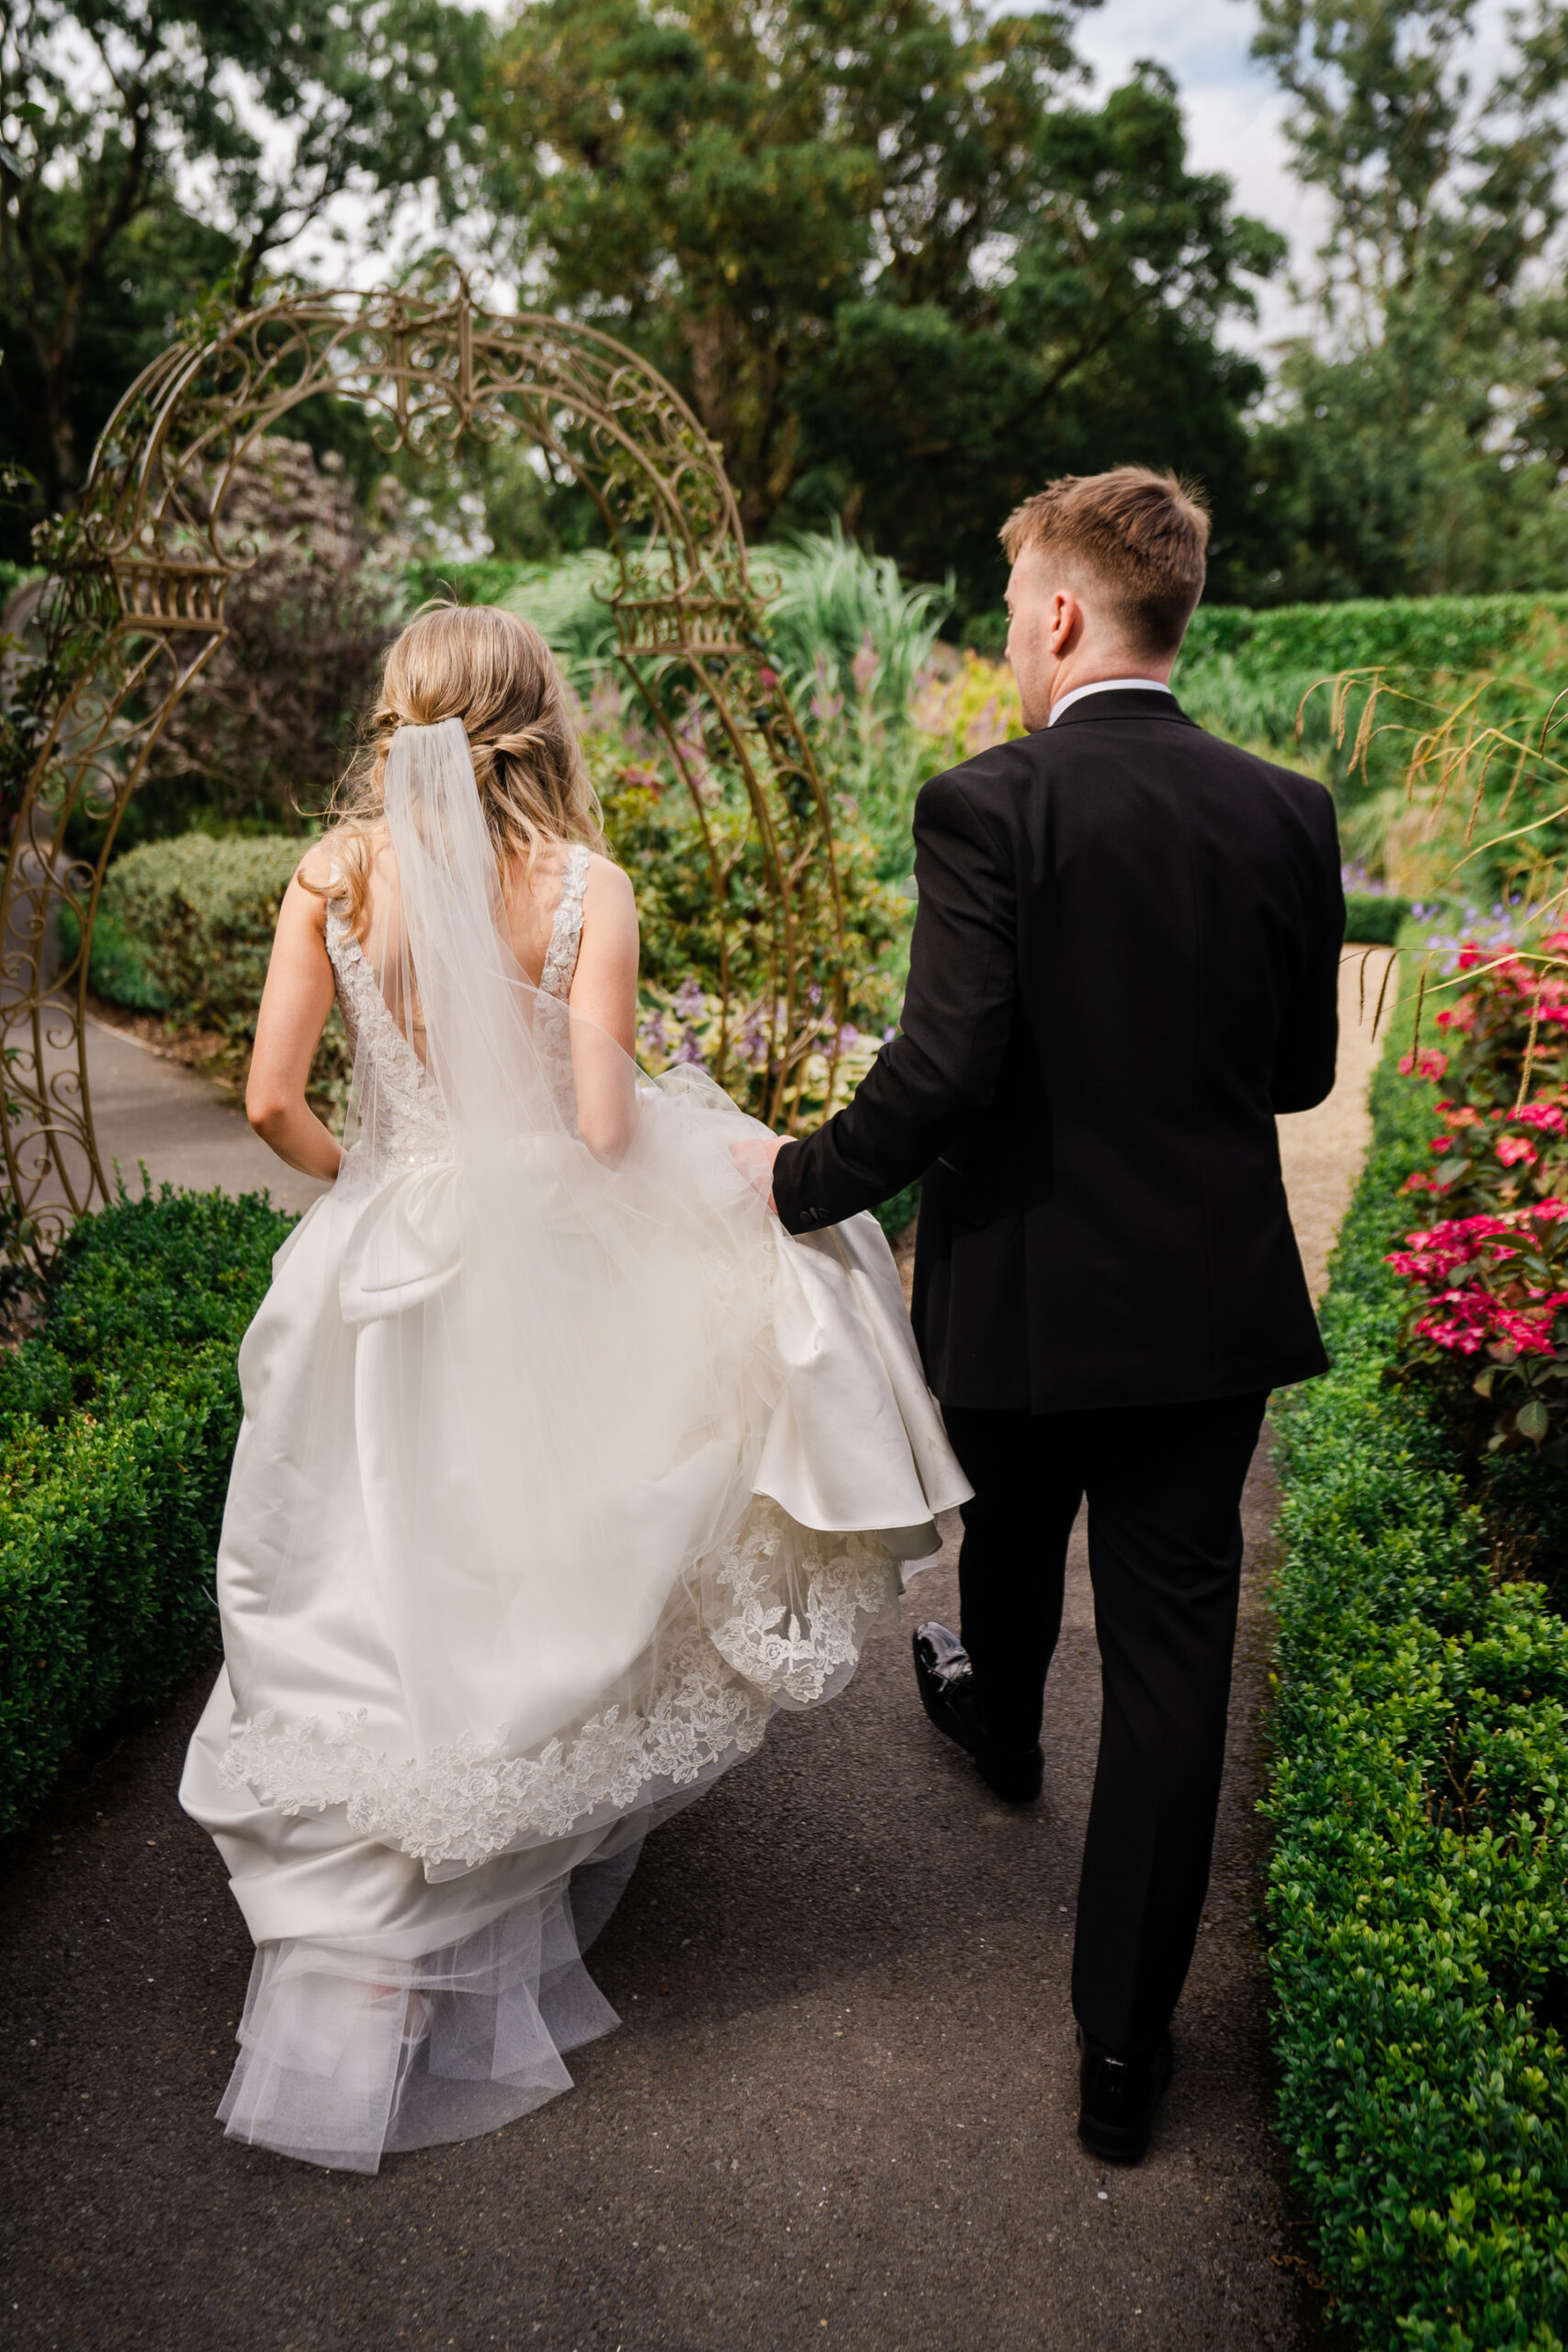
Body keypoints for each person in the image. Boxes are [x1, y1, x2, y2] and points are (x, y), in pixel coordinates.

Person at [179, 603, 969, 2174]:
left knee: (356, 1578)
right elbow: (606, 1130)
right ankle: (463, 1887)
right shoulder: (587, 886)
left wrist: (376, 1186)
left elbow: (270, 1098)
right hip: (530, 1252)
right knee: (513, 1571)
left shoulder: (333, 875)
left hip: (376, 1259)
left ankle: (359, 1957)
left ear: (400, 715)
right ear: (541, 719)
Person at [755, 468, 1344, 2164]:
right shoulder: (1289, 812)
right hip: (1211, 1309)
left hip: (1022, 1294)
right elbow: (1300, 1072)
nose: (1009, 641)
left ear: (1068, 613)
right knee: (1169, 1669)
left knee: (1010, 1537)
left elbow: (944, 1073)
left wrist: (799, 1180)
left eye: (1015, 611)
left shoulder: (986, 805)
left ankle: (1001, 1722)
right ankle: (1121, 2062)